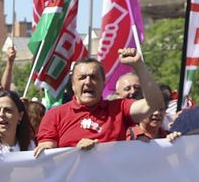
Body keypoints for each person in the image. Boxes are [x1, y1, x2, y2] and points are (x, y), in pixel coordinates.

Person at [33, 50, 162, 153]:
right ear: (73, 85)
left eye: (94, 77)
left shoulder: (119, 109)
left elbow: (154, 104)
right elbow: (47, 157)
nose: (88, 82)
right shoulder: (55, 115)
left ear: (103, 83)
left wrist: (139, 65)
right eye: (82, 77)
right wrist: (76, 152)